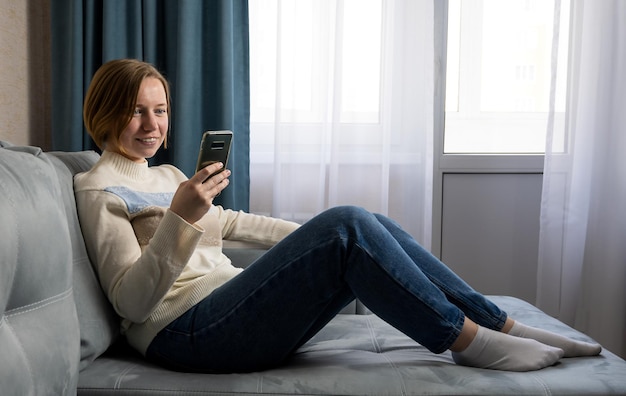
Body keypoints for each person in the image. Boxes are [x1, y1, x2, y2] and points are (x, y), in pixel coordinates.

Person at [74, 59, 601, 374]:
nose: (151, 123)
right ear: (104, 111)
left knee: (364, 222)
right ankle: (469, 343)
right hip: (183, 334)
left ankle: (498, 322)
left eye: (159, 109)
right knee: (349, 225)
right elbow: (133, 303)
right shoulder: (97, 189)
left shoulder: (167, 177)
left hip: (228, 309)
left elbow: (234, 225)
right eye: (135, 110)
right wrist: (181, 220)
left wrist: (328, 240)